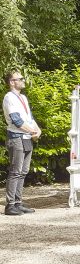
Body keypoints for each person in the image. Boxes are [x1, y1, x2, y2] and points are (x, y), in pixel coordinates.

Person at [3, 70, 41, 216]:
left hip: (26, 137)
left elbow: (29, 118)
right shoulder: (9, 98)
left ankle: (18, 203)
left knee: (23, 171)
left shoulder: (23, 98)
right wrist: (32, 132)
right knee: (15, 171)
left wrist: (38, 130)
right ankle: (10, 205)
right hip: (16, 137)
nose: (23, 80)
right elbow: (16, 120)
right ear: (12, 82)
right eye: (21, 78)